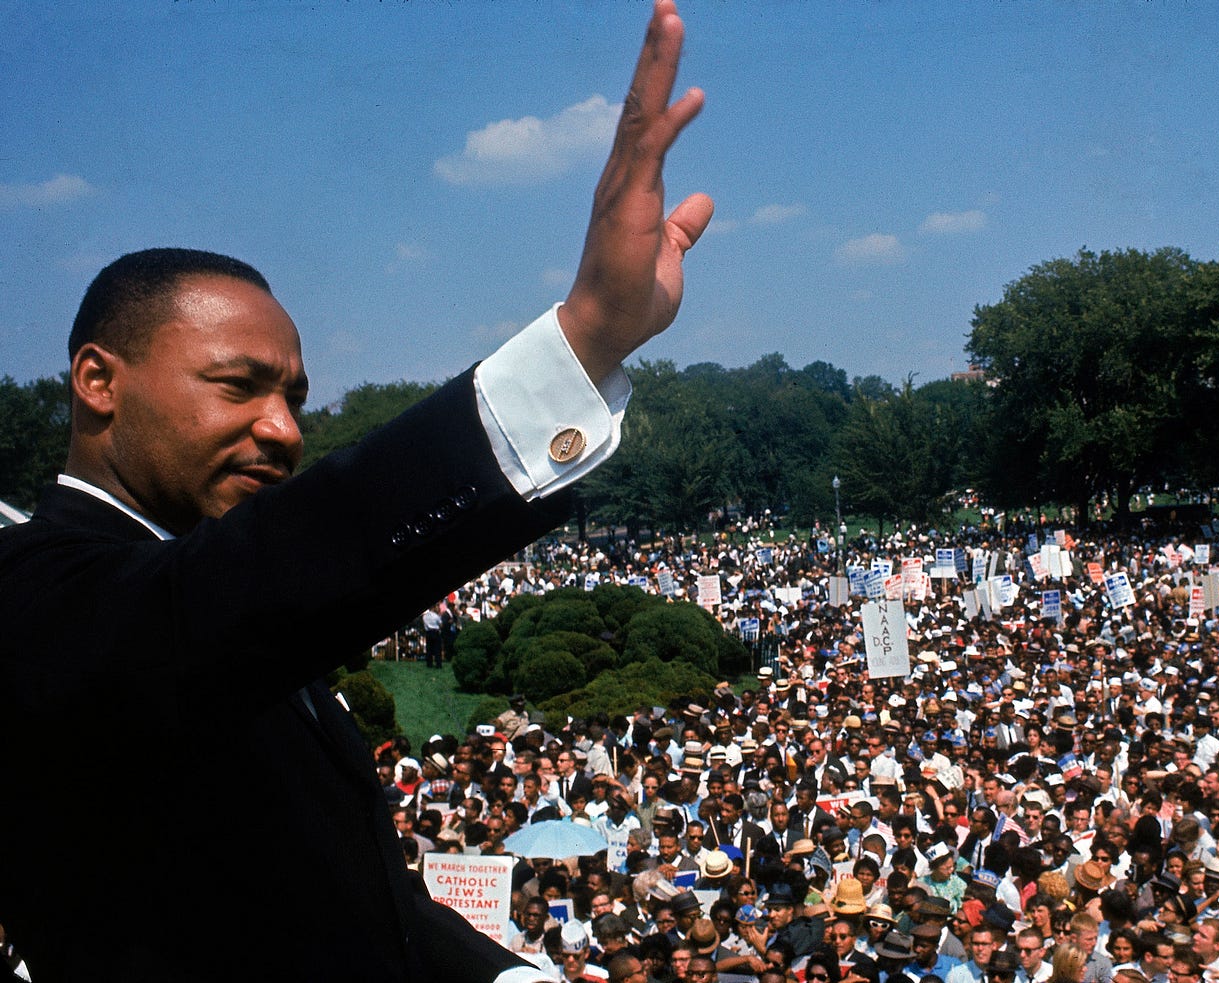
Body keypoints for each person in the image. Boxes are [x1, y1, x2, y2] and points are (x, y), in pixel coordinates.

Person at [0, 2, 712, 980]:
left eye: (294, 396)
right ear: (98, 380)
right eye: (238, 385)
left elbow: (354, 896)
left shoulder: (221, 627)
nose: (285, 428)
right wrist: (583, 338)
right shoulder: (38, 596)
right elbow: (256, 581)